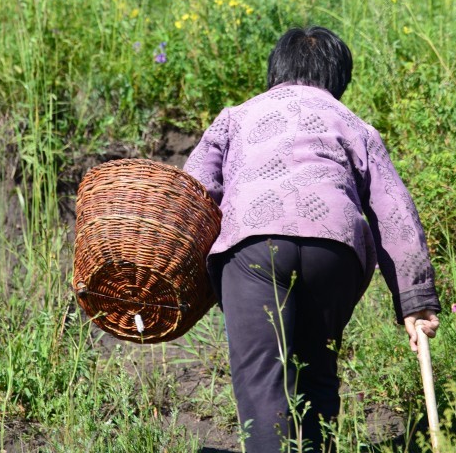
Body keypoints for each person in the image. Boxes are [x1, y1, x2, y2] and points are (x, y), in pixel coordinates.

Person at [183, 26, 441, 452]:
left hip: (254, 246)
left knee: (265, 377)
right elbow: (395, 212)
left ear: (275, 71)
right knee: (316, 370)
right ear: (338, 80)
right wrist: (416, 301)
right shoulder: (356, 126)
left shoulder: (235, 116)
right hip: (333, 250)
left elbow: (191, 192)